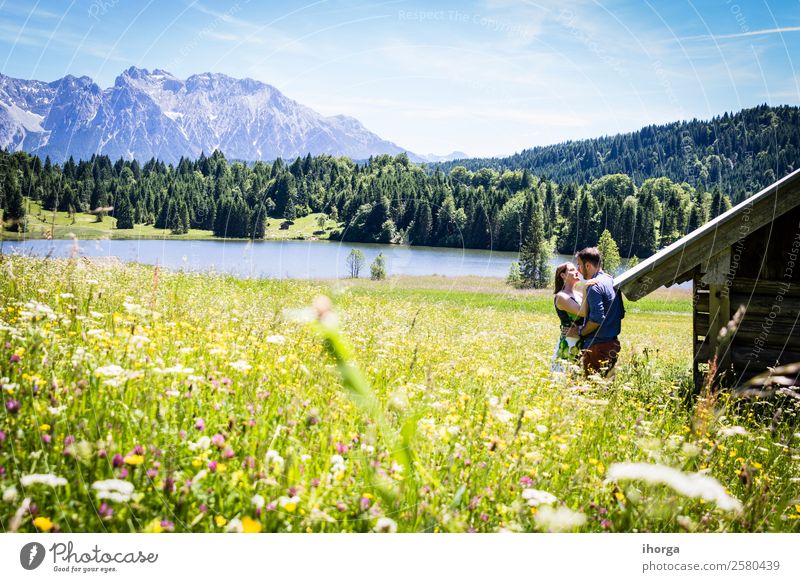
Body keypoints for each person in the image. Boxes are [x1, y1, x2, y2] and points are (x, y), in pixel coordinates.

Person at [567, 247, 625, 376]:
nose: (578, 269)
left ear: (587, 265)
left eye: (579, 265)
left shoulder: (594, 286)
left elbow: (596, 319)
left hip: (597, 347)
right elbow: (621, 313)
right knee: (605, 388)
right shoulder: (612, 281)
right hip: (613, 345)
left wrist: (580, 331)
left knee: (590, 389)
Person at [552, 262, 596, 370]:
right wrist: (586, 288)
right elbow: (582, 312)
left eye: (576, 269)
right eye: (571, 270)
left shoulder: (578, 294)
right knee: (564, 375)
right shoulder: (561, 296)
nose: (576, 271)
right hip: (569, 342)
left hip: (581, 340)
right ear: (563, 275)